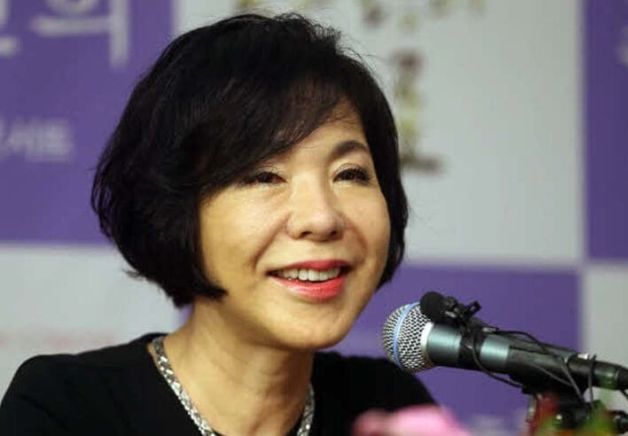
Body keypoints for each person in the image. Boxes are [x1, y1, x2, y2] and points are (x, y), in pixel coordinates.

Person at [0, 13, 433, 435]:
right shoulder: (66, 409)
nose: (321, 218)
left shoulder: (386, 407)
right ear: (175, 212)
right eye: (265, 176)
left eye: (350, 174)